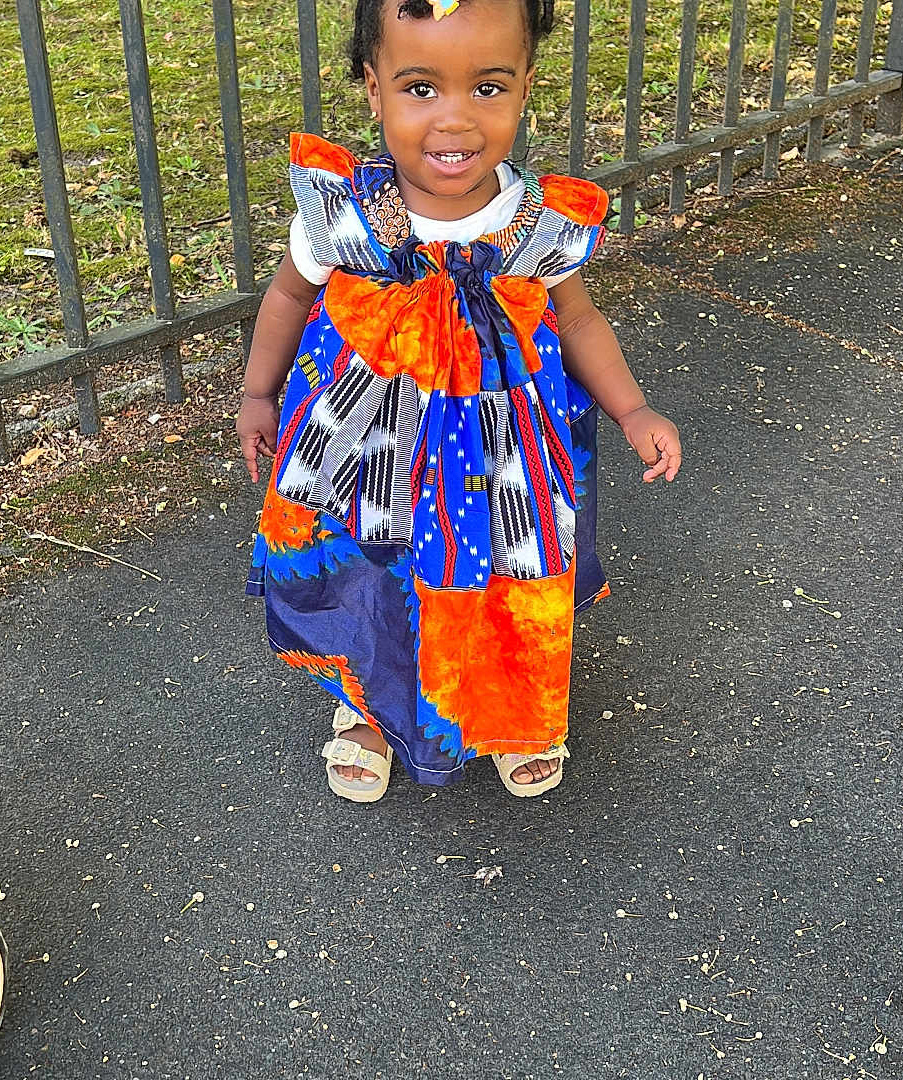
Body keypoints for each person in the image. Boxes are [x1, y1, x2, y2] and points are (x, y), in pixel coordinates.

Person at [238, 0, 681, 804]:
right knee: (372, 579)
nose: (455, 120)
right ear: (372, 90)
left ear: (525, 88)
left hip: (499, 457)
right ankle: (365, 712)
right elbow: (285, 297)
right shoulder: (343, 214)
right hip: (369, 450)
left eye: (487, 88)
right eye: (419, 88)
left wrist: (634, 409)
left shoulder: (534, 222)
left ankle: (517, 712)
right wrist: (257, 392)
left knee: (505, 576)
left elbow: (576, 318)